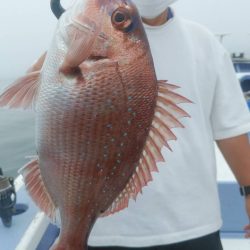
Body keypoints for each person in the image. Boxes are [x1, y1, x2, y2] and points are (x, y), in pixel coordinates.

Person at [88, 0, 250, 249]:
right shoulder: (84, 40)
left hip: (195, 223)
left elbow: (230, 128)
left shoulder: (204, 42)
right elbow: (45, 94)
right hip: (105, 225)